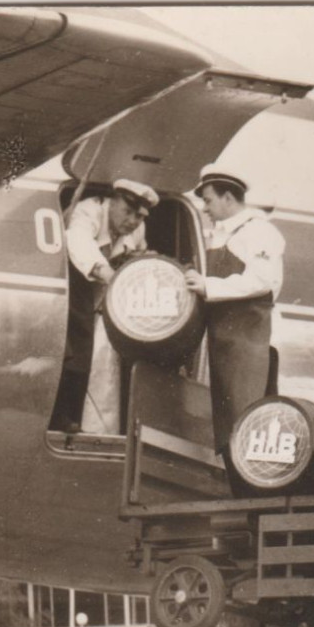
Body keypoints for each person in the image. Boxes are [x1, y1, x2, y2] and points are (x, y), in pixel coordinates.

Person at [183, 165, 285, 461]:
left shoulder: (259, 231)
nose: (205, 208)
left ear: (228, 198)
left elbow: (262, 281)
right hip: (223, 347)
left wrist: (207, 285)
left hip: (245, 347)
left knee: (247, 426)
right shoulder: (221, 235)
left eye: (209, 200)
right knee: (230, 429)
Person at [52, 178, 158, 434]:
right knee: (76, 346)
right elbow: (78, 241)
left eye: (139, 216)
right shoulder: (89, 210)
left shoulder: (135, 229)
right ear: (112, 201)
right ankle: (62, 417)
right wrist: (107, 273)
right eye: (128, 211)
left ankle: (83, 419)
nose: (132, 221)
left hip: (101, 293)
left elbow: (138, 252)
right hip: (74, 281)